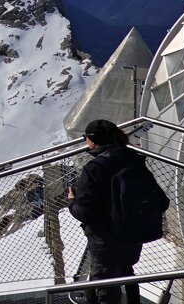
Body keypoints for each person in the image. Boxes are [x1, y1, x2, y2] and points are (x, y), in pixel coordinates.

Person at [67, 119, 153, 304]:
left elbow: (85, 211)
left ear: (93, 140)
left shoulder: (94, 169)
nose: (85, 141)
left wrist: (72, 202)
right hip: (132, 235)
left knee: (106, 290)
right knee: (126, 272)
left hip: (105, 242)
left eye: (85, 137)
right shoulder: (133, 159)